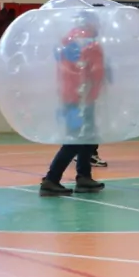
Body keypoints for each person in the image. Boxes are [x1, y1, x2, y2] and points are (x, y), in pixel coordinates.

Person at [40, 10, 107, 196]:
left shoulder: (68, 40)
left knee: (86, 137)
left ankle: (84, 176)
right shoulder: (90, 44)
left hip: (72, 95)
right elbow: (95, 71)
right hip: (83, 97)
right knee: (75, 139)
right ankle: (51, 179)